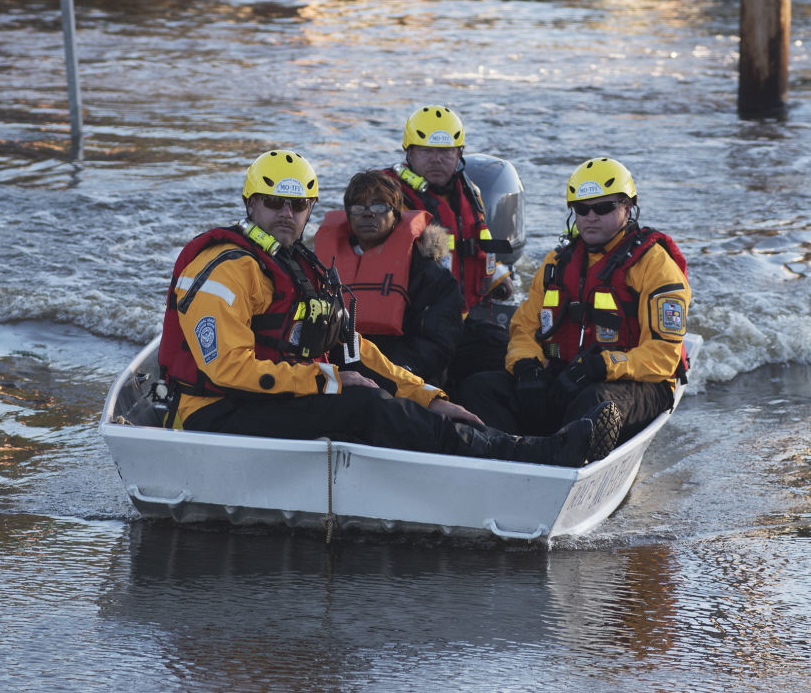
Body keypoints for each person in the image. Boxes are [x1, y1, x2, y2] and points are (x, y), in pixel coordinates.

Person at [158, 149, 598, 467]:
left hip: (267, 398)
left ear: (311, 209)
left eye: (297, 205)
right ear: (251, 203)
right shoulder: (224, 270)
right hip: (212, 411)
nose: (286, 214)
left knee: (375, 391)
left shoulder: (297, 266)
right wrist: (327, 378)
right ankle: (511, 454)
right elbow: (226, 369)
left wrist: (428, 398)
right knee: (361, 404)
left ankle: (494, 442)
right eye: (274, 203)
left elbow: (353, 349)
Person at [455, 157, 689, 462]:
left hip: (635, 382)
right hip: (563, 375)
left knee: (595, 402)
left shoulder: (654, 264)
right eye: (582, 209)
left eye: (603, 208)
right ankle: (515, 452)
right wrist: (528, 368)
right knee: (480, 388)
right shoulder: (556, 262)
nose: (591, 217)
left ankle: (566, 457)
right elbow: (524, 327)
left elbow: (662, 355)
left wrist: (601, 366)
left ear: (627, 207)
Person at [384, 106, 511, 383]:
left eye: (445, 152)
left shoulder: (470, 191)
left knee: (511, 358)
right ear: (409, 153)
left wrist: (497, 274)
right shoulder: (388, 195)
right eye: (426, 151)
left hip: (463, 319)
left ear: (459, 154)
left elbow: (476, 241)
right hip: (414, 325)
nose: (436, 159)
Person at [311, 170, 461, 387]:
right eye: (358, 206)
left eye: (379, 206)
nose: (368, 214)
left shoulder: (432, 276)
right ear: (348, 214)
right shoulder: (319, 267)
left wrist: (393, 374)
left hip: (405, 375)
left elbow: (437, 343)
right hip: (338, 371)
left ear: (396, 215)